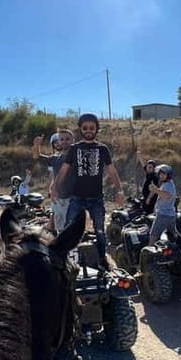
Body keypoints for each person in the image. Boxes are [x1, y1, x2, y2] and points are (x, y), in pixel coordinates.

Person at [53, 113, 125, 271]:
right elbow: (63, 171)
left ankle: (102, 258)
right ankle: (62, 259)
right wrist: (54, 189)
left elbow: (112, 171)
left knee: (99, 230)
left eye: (91, 128)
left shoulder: (102, 149)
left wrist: (119, 191)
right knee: (67, 228)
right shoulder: (74, 148)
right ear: (80, 129)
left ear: (96, 129)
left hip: (96, 198)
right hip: (77, 197)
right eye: (85, 128)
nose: (88, 130)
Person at [32, 129, 75, 233]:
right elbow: (37, 157)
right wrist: (36, 145)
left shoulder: (77, 157)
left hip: (72, 199)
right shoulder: (55, 158)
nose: (64, 141)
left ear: (73, 140)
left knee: (71, 229)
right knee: (60, 230)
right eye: (61, 139)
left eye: (67, 139)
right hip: (58, 199)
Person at [147, 164, 177, 245]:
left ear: (168, 175)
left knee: (153, 236)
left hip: (163, 215)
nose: (161, 176)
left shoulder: (168, 185)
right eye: (160, 174)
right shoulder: (168, 183)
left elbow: (166, 196)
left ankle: (150, 254)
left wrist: (155, 189)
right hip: (170, 214)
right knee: (172, 237)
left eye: (164, 174)